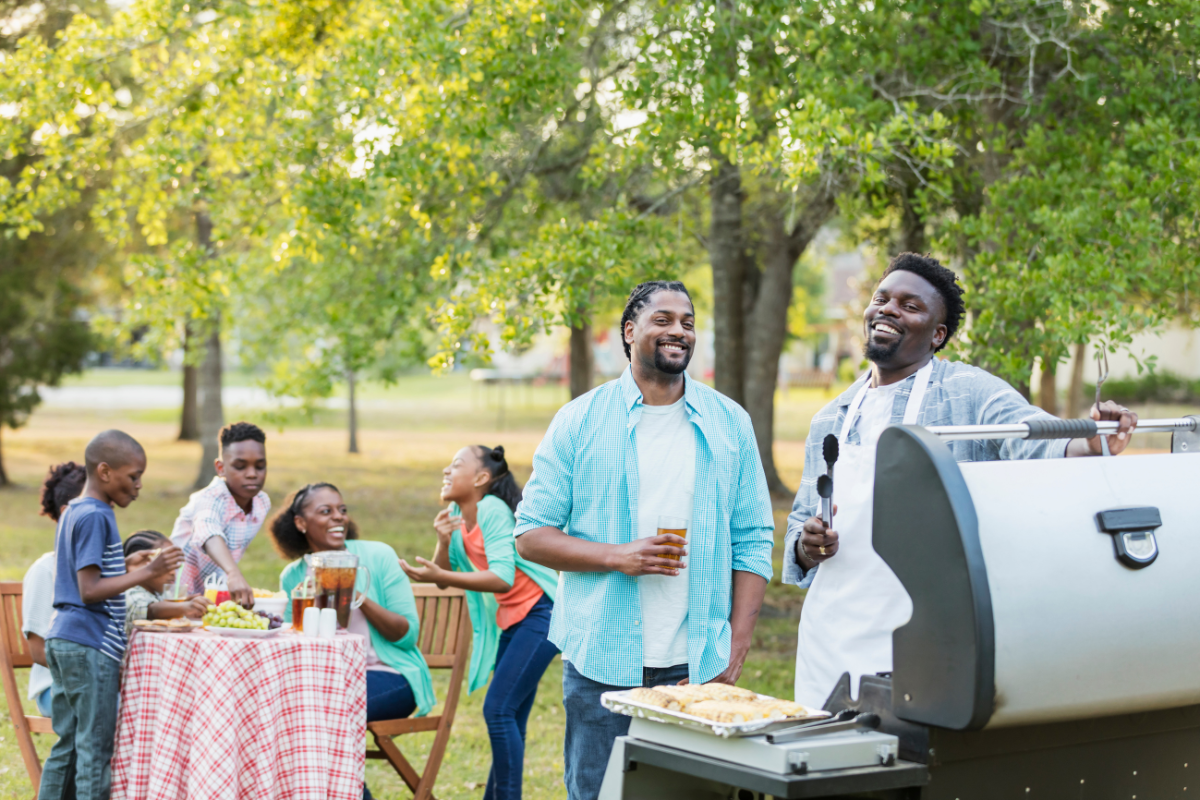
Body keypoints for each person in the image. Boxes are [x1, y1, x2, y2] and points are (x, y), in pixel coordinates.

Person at [784, 252, 1139, 708]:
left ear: (938, 335)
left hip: (930, 634)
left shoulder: (969, 392)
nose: (889, 310)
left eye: (910, 306)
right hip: (831, 637)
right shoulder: (829, 418)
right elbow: (799, 527)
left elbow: (1031, 437)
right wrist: (807, 545)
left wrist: (1090, 439)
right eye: (882, 299)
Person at [514, 280, 776, 800]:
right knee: (598, 793)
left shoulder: (730, 422)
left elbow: (752, 538)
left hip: (697, 661)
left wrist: (736, 643)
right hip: (602, 659)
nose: (679, 330)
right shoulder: (580, 420)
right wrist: (619, 556)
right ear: (630, 332)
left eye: (688, 322)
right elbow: (531, 535)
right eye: (663, 319)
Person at [400, 444, 559, 800]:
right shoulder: (457, 514)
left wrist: (440, 574)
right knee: (510, 715)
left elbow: (501, 577)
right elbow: (445, 578)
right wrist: (443, 541)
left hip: (542, 614)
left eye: (456, 464)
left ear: (481, 478)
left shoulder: (491, 509)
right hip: (516, 620)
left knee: (498, 709)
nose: (446, 470)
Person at [40, 430, 185, 800]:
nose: (138, 486)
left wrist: (127, 562)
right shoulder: (97, 516)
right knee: (95, 749)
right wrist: (148, 572)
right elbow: (89, 590)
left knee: (68, 745)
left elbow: (84, 572)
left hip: (65, 638)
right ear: (105, 471)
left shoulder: (76, 510)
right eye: (133, 476)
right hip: (91, 643)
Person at [271, 482, 435, 800]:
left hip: (390, 675)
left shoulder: (377, 555)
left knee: (324, 716)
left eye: (342, 510)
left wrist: (358, 596)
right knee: (292, 716)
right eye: (326, 511)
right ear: (301, 523)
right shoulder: (293, 576)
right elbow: (296, 642)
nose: (338, 517)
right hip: (326, 683)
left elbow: (406, 636)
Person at [171, 421, 270, 607]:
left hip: (211, 594)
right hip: (175, 594)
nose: (252, 474)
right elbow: (208, 531)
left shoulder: (261, 503)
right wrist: (234, 573)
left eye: (260, 466)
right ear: (220, 468)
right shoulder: (209, 498)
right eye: (240, 466)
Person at [23, 461, 87, 717]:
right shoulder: (46, 570)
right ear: (68, 512)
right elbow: (39, 651)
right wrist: (93, 674)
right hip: (56, 688)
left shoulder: (103, 570)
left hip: (96, 683)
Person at [122, 530, 211, 635]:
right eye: (165, 564)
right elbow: (151, 610)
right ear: (139, 564)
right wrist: (184, 607)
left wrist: (183, 605)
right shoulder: (128, 593)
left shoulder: (157, 594)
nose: (173, 572)